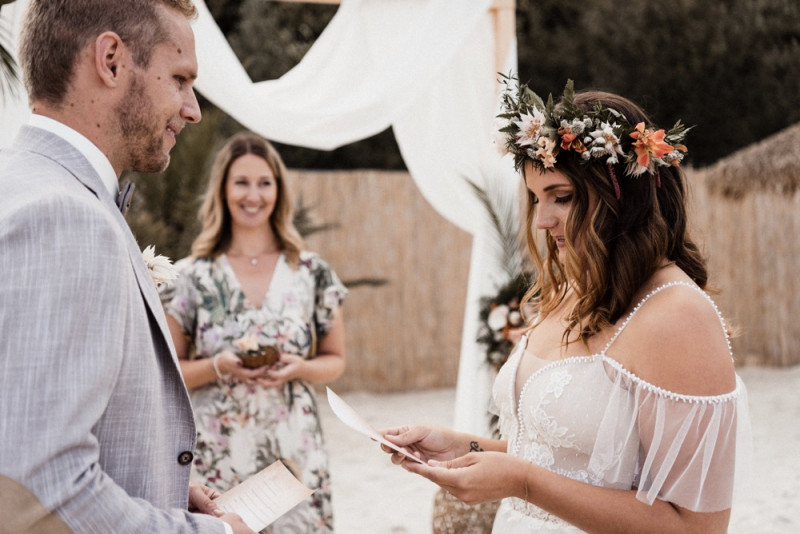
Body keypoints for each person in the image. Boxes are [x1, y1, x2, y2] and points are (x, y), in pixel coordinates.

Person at [381, 79, 751, 533]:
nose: (541, 220)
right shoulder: (572, 290)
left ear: (622, 195)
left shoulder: (676, 316)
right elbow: (560, 459)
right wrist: (464, 448)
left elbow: (696, 528)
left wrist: (523, 483)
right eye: (537, 198)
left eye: (562, 196)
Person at [0, 1, 254, 532]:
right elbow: (38, 493)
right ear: (112, 60)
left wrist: (152, 481)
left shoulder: (23, 187)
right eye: (180, 79)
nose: (193, 110)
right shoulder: (65, 217)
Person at [160, 131, 348, 532]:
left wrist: (299, 367)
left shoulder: (312, 272)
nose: (253, 195)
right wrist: (219, 365)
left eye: (265, 183)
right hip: (217, 456)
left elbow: (335, 361)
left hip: (295, 452)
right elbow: (168, 373)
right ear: (223, 190)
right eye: (241, 182)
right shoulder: (191, 275)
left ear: (278, 191)